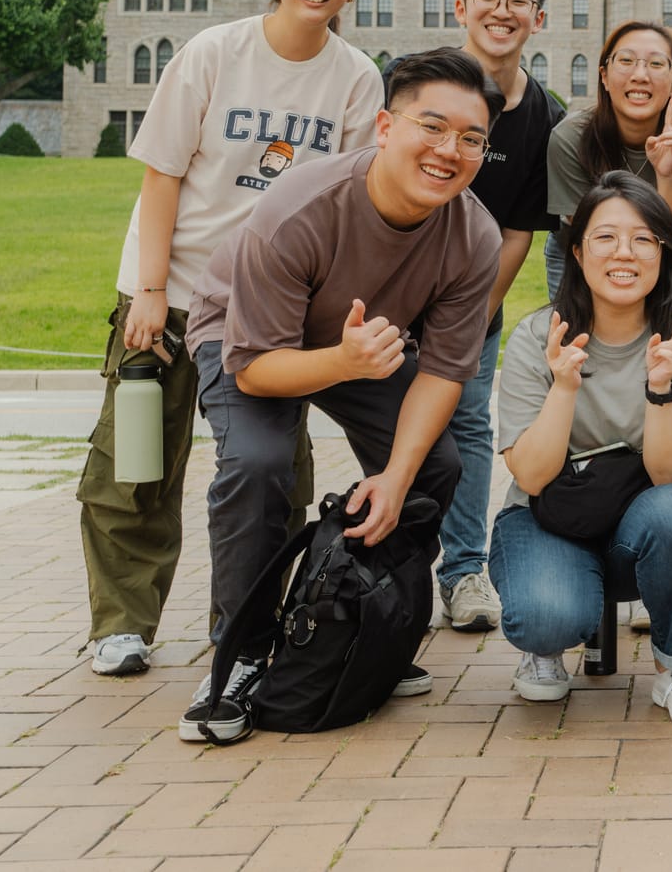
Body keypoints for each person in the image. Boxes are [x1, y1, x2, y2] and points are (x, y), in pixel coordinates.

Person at [76, 0, 383, 679]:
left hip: (271, 309)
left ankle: (247, 623)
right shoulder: (213, 52)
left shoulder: (356, 78)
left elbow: (347, 205)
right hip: (173, 289)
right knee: (137, 460)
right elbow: (163, 174)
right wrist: (151, 289)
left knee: (269, 468)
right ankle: (122, 622)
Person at [179, 48, 502, 743]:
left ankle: (370, 623)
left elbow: (445, 374)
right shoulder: (298, 208)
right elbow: (254, 370)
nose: (449, 151)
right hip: (247, 337)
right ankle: (242, 653)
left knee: (432, 464)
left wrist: (396, 477)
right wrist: (342, 361)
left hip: (363, 346)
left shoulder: (475, 235)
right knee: (259, 464)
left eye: (471, 139)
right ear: (385, 126)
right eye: (432, 127)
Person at [490, 172, 672, 728]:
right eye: (606, 237)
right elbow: (531, 475)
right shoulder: (537, 336)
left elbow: (668, 475)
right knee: (546, 617)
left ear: (664, 253)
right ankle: (547, 644)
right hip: (546, 518)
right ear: (576, 251)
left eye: (644, 239)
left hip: (634, 530)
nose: (625, 253)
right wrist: (564, 386)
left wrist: (660, 387)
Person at [417, 0, 566, 636]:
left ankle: (463, 570)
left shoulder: (545, 117)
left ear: (538, 17)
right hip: (391, 294)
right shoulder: (417, 84)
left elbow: (518, 231)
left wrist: (474, 315)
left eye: (518, 0)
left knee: (469, 424)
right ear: (461, 6)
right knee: (392, 426)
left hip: (474, 302)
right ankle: (395, 568)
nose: (501, 11)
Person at [545, 20, 672, 294]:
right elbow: (593, 244)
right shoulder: (570, 139)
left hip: (664, 258)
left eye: (656, 64)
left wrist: (666, 176)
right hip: (580, 254)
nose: (640, 75)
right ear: (604, 76)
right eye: (626, 60)